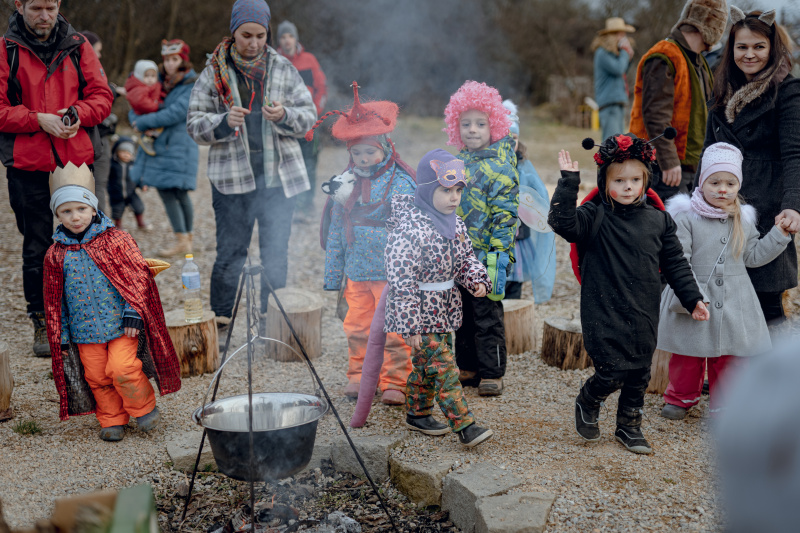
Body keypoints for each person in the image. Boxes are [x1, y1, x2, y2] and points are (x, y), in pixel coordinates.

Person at [548, 133, 709, 455]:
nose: (627, 186)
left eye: (635, 179)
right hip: (602, 306)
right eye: (619, 180)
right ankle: (589, 399)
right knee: (612, 369)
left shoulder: (659, 220)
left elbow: (675, 263)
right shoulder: (594, 217)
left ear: (645, 180)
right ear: (605, 181)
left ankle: (629, 425)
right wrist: (568, 184)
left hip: (643, 307)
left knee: (638, 372)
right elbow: (562, 222)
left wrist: (693, 298)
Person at [186, 0, 316, 334]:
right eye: (246, 35)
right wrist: (222, 122)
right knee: (230, 252)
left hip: (277, 180)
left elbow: (309, 117)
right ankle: (221, 321)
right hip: (231, 182)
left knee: (275, 253)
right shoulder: (214, 71)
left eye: (260, 35)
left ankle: (272, 322)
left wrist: (285, 115)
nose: (254, 42)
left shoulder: (283, 67)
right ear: (234, 32)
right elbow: (193, 123)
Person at [0, 0, 114, 356]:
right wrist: (38, 119)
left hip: (74, 162)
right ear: (19, 5)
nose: (44, 15)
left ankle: (89, 316)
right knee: (36, 246)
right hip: (27, 164)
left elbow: (103, 98)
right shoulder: (5, 50)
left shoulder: (78, 45)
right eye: (36, 7)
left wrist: (79, 111)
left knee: (87, 240)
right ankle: (42, 320)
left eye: (51, 7)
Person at [43, 163, 181, 441]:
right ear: (57, 214)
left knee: (122, 368)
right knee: (97, 377)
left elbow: (137, 276)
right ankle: (112, 418)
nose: (75, 217)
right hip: (84, 332)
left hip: (121, 325)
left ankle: (143, 408)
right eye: (66, 211)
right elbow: (55, 303)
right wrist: (63, 337)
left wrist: (133, 312)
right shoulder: (55, 255)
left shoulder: (117, 240)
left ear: (94, 209)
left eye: (81, 209)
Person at [657, 143, 791, 420]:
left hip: (733, 298)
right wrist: (691, 294)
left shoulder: (743, 217)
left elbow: (752, 256)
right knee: (687, 353)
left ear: (738, 185)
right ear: (701, 181)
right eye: (715, 181)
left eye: (730, 183)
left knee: (729, 355)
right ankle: (681, 397)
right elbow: (678, 258)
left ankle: (725, 402)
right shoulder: (685, 216)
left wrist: (779, 235)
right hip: (693, 292)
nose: (722, 189)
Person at [306, 82, 415, 404]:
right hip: (356, 271)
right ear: (349, 152)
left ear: (385, 147)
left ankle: (395, 380)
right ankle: (358, 375)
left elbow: (411, 230)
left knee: (395, 329)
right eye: (357, 152)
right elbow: (338, 231)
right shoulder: (344, 185)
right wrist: (333, 273)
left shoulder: (401, 182)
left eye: (370, 151)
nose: (364, 158)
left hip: (392, 273)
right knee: (357, 327)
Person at [380, 149, 493, 447]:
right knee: (444, 368)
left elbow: (466, 259)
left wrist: (476, 279)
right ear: (428, 190)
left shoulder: (455, 224)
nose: (453, 197)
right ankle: (465, 425)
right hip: (419, 311)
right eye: (445, 190)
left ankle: (417, 413)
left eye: (458, 190)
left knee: (425, 365)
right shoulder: (409, 229)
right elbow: (401, 280)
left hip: (444, 309)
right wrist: (410, 324)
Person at [698, 7, 800, 332]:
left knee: (767, 301)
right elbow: (707, 153)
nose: (750, 54)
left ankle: (778, 379)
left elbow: (795, 154)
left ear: (772, 49)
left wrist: (793, 205)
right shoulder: (721, 91)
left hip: (767, 206)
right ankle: (729, 377)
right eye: (742, 47)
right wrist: (697, 201)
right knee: (724, 296)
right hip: (722, 203)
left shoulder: (787, 91)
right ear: (732, 49)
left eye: (758, 46)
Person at [443, 80, 518, 397]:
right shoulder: (455, 164)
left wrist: (500, 257)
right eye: (466, 124)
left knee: (487, 315)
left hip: (488, 255)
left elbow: (506, 215)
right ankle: (468, 367)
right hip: (459, 255)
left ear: (494, 125)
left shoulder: (501, 166)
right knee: (461, 315)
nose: (473, 130)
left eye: (480, 123)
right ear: (456, 126)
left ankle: (492, 371)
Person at [629, 0, 728, 202]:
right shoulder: (665, 55)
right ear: (713, 25)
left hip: (689, 164)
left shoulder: (697, 60)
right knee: (667, 228)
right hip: (664, 167)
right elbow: (655, 115)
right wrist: (669, 161)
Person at [130, 39, 198, 258]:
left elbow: (176, 113)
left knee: (176, 191)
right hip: (164, 145)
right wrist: (134, 119)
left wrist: (142, 123)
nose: (169, 64)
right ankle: (184, 239)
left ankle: (185, 238)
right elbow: (136, 103)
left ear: (183, 60)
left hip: (180, 145)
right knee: (170, 190)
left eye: (174, 59)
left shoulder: (190, 84)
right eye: (167, 59)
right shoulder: (155, 79)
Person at [502, 100, 556, 303]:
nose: (509, 142)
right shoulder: (489, 166)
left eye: (514, 138)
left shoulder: (523, 166)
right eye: (504, 137)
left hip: (518, 242)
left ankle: (512, 323)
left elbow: (539, 197)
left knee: (514, 290)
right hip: (495, 242)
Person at [277, 20, 327, 212]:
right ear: (279, 40)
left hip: (309, 123)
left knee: (309, 163)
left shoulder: (309, 60)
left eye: (290, 36)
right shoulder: (275, 61)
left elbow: (322, 88)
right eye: (283, 36)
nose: (287, 40)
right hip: (285, 123)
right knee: (286, 164)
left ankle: (306, 206)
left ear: (295, 38)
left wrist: (314, 113)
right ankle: (288, 207)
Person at [592, 17, 636, 140]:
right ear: (612, 35)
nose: (624, 38)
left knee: (619, 144)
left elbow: (623, 71)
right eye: (621, 35)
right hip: (609, 103)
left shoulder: (613, 54)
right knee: (611, 144)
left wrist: (628, 56)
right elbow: (619, 69)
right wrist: (625, 52)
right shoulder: (602, 53)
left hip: (616, 102)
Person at [108, 137, 151, 231]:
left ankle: (140, 223)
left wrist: (142, 185)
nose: (126, 155)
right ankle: (118, 226)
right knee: (117, 211)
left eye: (128, 153)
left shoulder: (133, 165)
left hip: (131, 192)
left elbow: (137, 177)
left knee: (139, 207)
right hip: (116, 193)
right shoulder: (112, 165)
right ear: (117, 152)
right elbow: (106, 177)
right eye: (123, 152)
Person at [124, 59, 163, 156]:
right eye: (147, 76)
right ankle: (146, 138)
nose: (150, 79)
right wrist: (157, 106)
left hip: (150, 111)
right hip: (144, 113)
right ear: (139, 76)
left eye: (153, 76)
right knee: (149, 129)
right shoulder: (140, 88)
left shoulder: (152, 86)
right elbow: (143, 103)